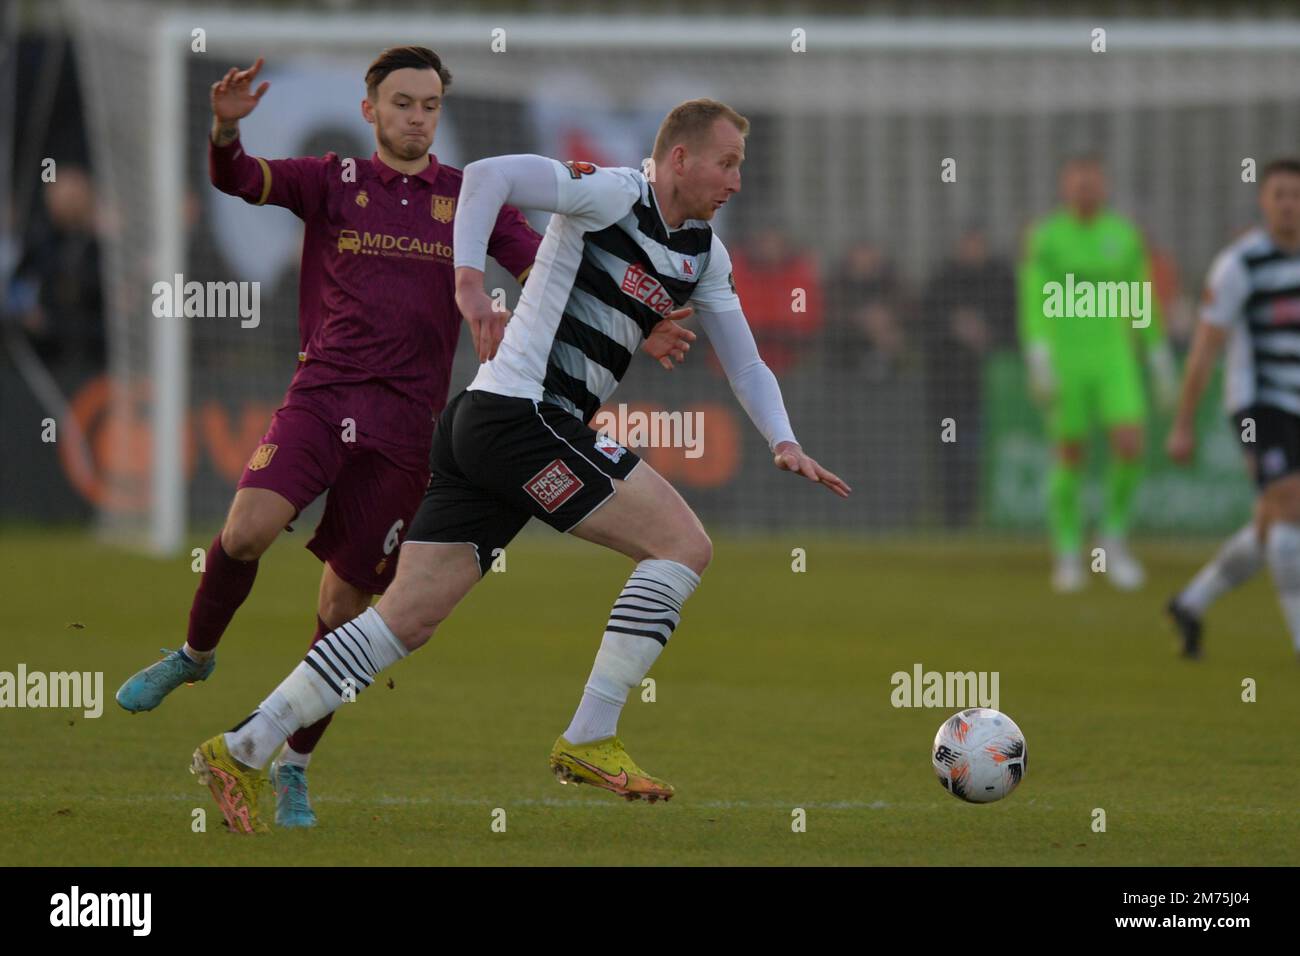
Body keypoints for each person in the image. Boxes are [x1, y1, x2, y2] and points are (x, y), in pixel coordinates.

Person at [189, 98, 850, 833]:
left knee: (405, 620)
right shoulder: (610, 193)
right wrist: (468, 282)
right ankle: (591, 736)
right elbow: (488, 175)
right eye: (727, 163)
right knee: (683, 545)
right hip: (521, 419)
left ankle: (241, 747)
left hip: (488, 427)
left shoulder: (705, 254)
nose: (736, 180)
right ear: (680, 159)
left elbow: (747, 361)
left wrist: (782, 440)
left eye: (742, 166)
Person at [116, 48, 691, 828]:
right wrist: (222, 131)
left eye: (428, 105)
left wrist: (645, 319)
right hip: (320, 398)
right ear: (370, 112)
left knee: (349, 603)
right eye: (402, 103)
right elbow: (239, 179)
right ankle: (194, 656)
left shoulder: (465, 198)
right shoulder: (332, 180)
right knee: (246, 529)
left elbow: (544, 262)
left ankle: (291, 765)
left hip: (408, 430)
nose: (417, 116)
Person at [1018, 156, 1178, 592]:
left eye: (1092, 183)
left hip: (1114, 358)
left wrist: (1160, 359)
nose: (1085, 190)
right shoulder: (1047, 237)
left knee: (1130, 444)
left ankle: (1111, 542)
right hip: (1067, 361)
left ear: (1104, 187)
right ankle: (1068, 552)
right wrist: (1039, 357)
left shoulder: (1124, 237)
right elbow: (1033, 299)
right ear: (1064, 188)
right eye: (1077, 183)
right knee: (1070, 454)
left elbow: (1141, 299)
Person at [1166, 158, 1300, 660]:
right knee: (1289, 501)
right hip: (1254, 408)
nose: (1289, 203)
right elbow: (1204, 348)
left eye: (1296, 194)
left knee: (1271, 521)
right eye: (1279, 194)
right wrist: (1182, 424)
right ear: (1264, 202)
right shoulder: (1238, 265)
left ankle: (1191, 603)